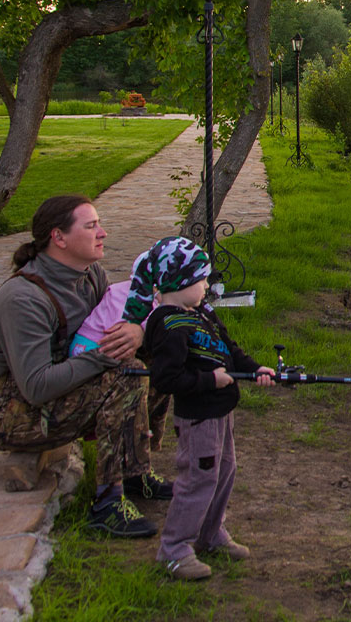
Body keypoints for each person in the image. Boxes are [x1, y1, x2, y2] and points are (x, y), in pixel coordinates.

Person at [0, 194, 171, 538]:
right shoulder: (23, 298)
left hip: (59, 382)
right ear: (58, 237)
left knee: (160, 352)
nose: (103, 233)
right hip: (12, 410)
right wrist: (106, 355)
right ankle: (108, 504)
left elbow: (112, 321)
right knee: (124, 375)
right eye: (91, 225)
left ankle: (135, 472)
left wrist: (138, 331)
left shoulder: (90, 273)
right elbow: (35, 386)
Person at [137, 236, 275, 580]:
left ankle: (210, 534)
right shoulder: (168, 325)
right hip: (198, 417)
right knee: (197, 480)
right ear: (180, 283)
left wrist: (254, 368)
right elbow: (166, 379)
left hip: (220, 413)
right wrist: (209, 383)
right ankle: (174, 549)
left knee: (224, 473)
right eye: (201, 280)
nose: (206, 286)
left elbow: (229, 348)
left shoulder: (201, 312)